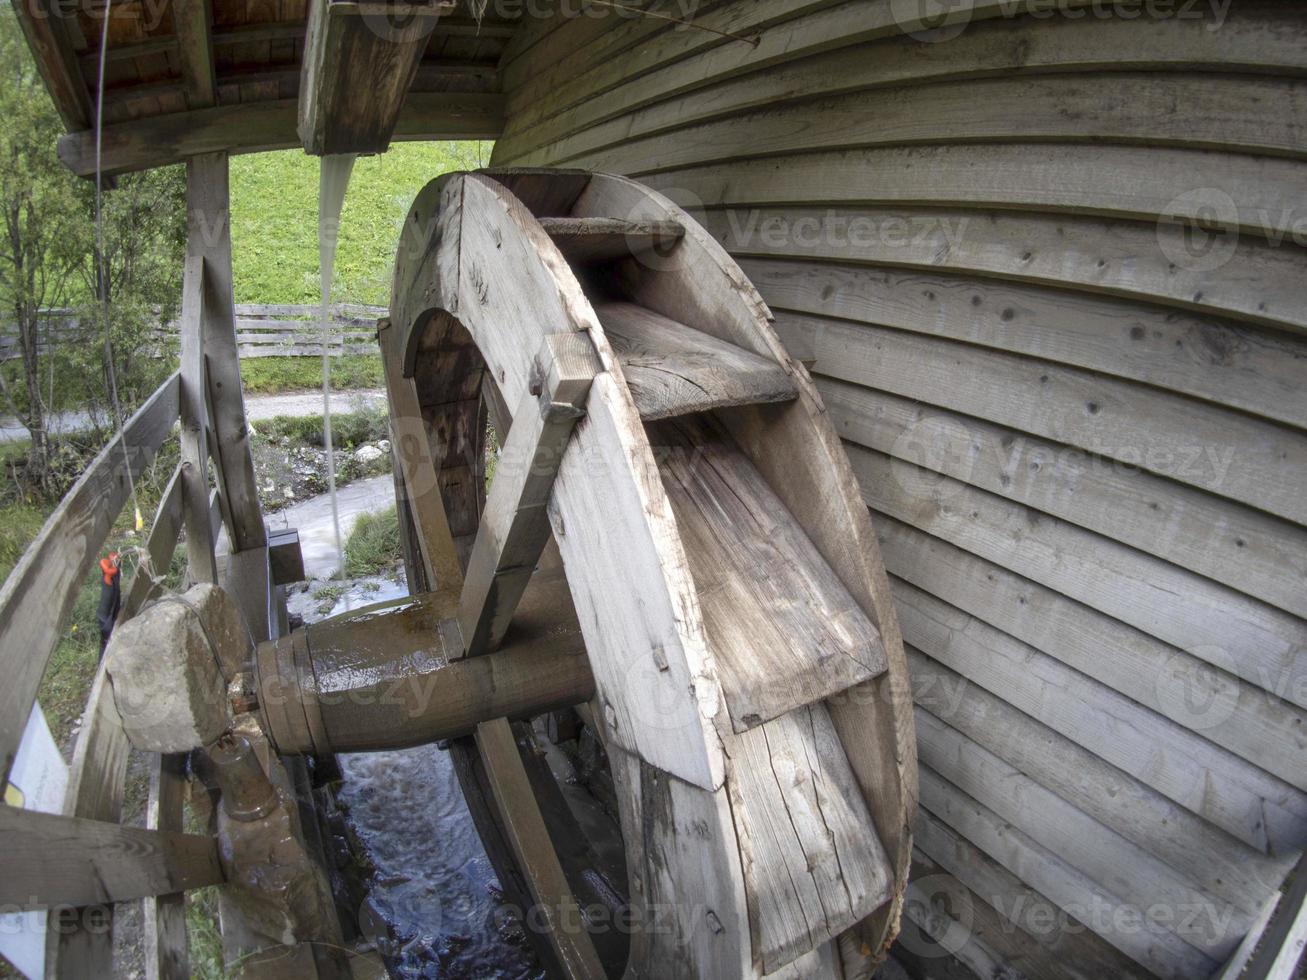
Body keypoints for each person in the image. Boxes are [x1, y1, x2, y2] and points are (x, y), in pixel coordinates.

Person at [97, 552, 121, 657]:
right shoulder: (109, 571)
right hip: (107, 622)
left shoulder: (112, 572)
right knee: (105, 625)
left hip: (108, 616)